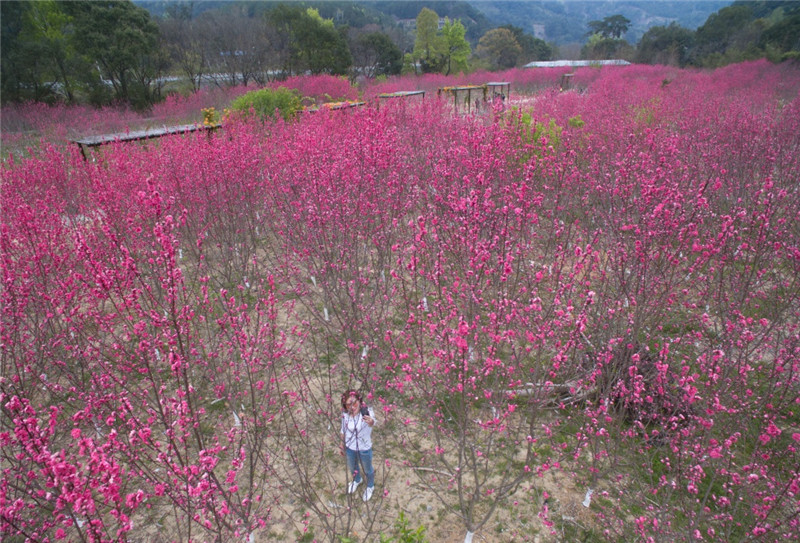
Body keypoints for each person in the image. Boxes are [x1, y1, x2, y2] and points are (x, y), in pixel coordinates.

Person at [340, 390, 376, 502]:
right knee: (352, 466)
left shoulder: (366, 412)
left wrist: (371, 421)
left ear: (359, 401)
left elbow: (372, 422)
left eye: (354, 403)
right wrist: (342, 444)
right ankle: (357, 480)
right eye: (348, 404)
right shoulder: (345, 415)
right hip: (350, 447)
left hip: (364, 448)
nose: (352, 407)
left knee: (367, 469)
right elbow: (343, 430)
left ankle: (370, 486)